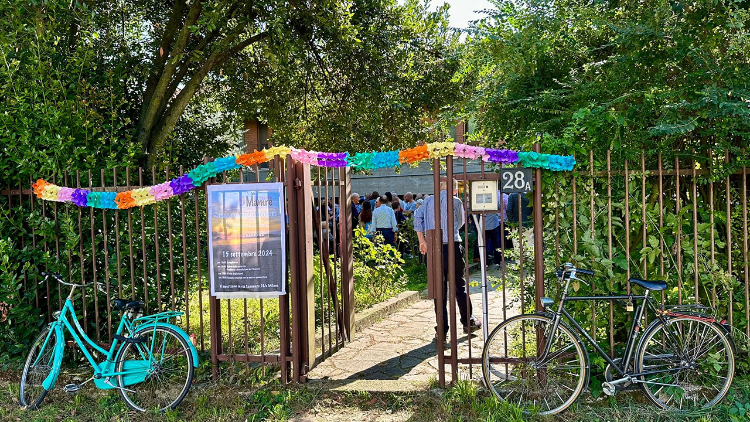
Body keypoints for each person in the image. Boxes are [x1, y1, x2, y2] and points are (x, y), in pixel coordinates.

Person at [414, 180, 481, 342]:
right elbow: (461, 222)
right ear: (454, 190)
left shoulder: (428, 200)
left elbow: (417, 219)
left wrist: (422, 240)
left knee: (439, 289)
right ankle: (468, 322)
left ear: (439, 187)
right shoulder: (456, 201)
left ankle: (442, 330)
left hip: (433, 247)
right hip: (452, 245)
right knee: (460, 285)